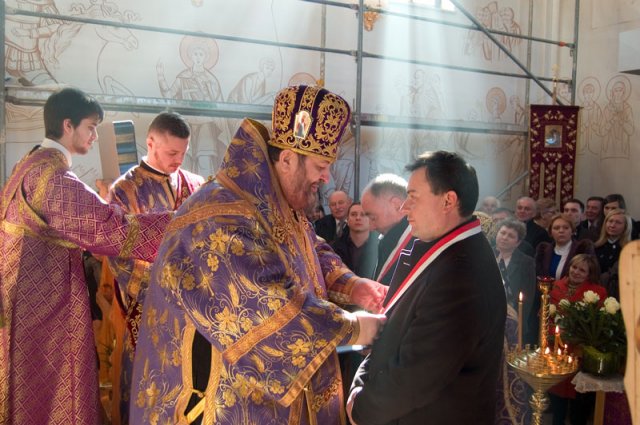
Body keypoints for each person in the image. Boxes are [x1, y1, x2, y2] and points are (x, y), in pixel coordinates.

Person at [130, 85, 387, 425]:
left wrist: (351, 285)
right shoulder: (222, 214)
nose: (326, 177)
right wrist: (355, 329)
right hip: (209, 402)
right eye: (321, 165)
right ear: (288, 159)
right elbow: (263, 305)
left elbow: (311, 249)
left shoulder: (275, 203)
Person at [0, 87, 172, 425]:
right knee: (52, 397)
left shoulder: (29, 163)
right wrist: (179, 222)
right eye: (90, 127)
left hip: (25, 301)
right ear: (68, 125)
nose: (94, 136)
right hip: (43, 310)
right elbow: (110, 230)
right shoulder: (52, 177)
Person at [348, 151, 506, 424]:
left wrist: (361, 408)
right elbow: (392, 334)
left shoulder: (462, 273)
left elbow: (417, 374)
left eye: (413, 196)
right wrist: (361, 384)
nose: (404, 207)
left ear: (448, 201)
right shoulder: (442, 251)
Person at [106, 111, 205, 424]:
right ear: (150, 143)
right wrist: (166, 286)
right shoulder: (125, 191)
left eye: (183, 153)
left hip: (197, 307)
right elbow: (118, 253)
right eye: (172, 152)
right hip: (150, 307)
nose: (178, 160)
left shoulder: (197, 185)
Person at [548, 254, 606, 425]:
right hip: (557, 349)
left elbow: (599, 325)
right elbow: (547, 315)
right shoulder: (556, 286)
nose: (576, 272)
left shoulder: (597, 292)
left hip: (580, 353)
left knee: (579, 404)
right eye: (574, 267)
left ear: (590, 274)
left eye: (582, 270)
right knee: (557, 399)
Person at [360, 173, 413, 285]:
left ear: (397, 206)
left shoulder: (418, 243)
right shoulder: (392, 238)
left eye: (373, 218)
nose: (371, 227)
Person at [494, 218, 537, 345]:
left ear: (518, 243)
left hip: (512, 319)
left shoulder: (526, 262)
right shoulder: (485, 254)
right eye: (502, 233)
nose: (505, 237)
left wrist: (520, 321)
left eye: (511, 236)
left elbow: (528, 297)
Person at [331, 202, 379, 280]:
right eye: (353, 214)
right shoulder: (334, 248)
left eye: (363, 215)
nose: (358, 218)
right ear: (347, 220)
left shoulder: (379, 247)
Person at [594, 208, 633, 300]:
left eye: (618, 222)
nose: (612, 225)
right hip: (595, 292)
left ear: (626, 227)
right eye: (610, 221)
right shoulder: (595, 246)